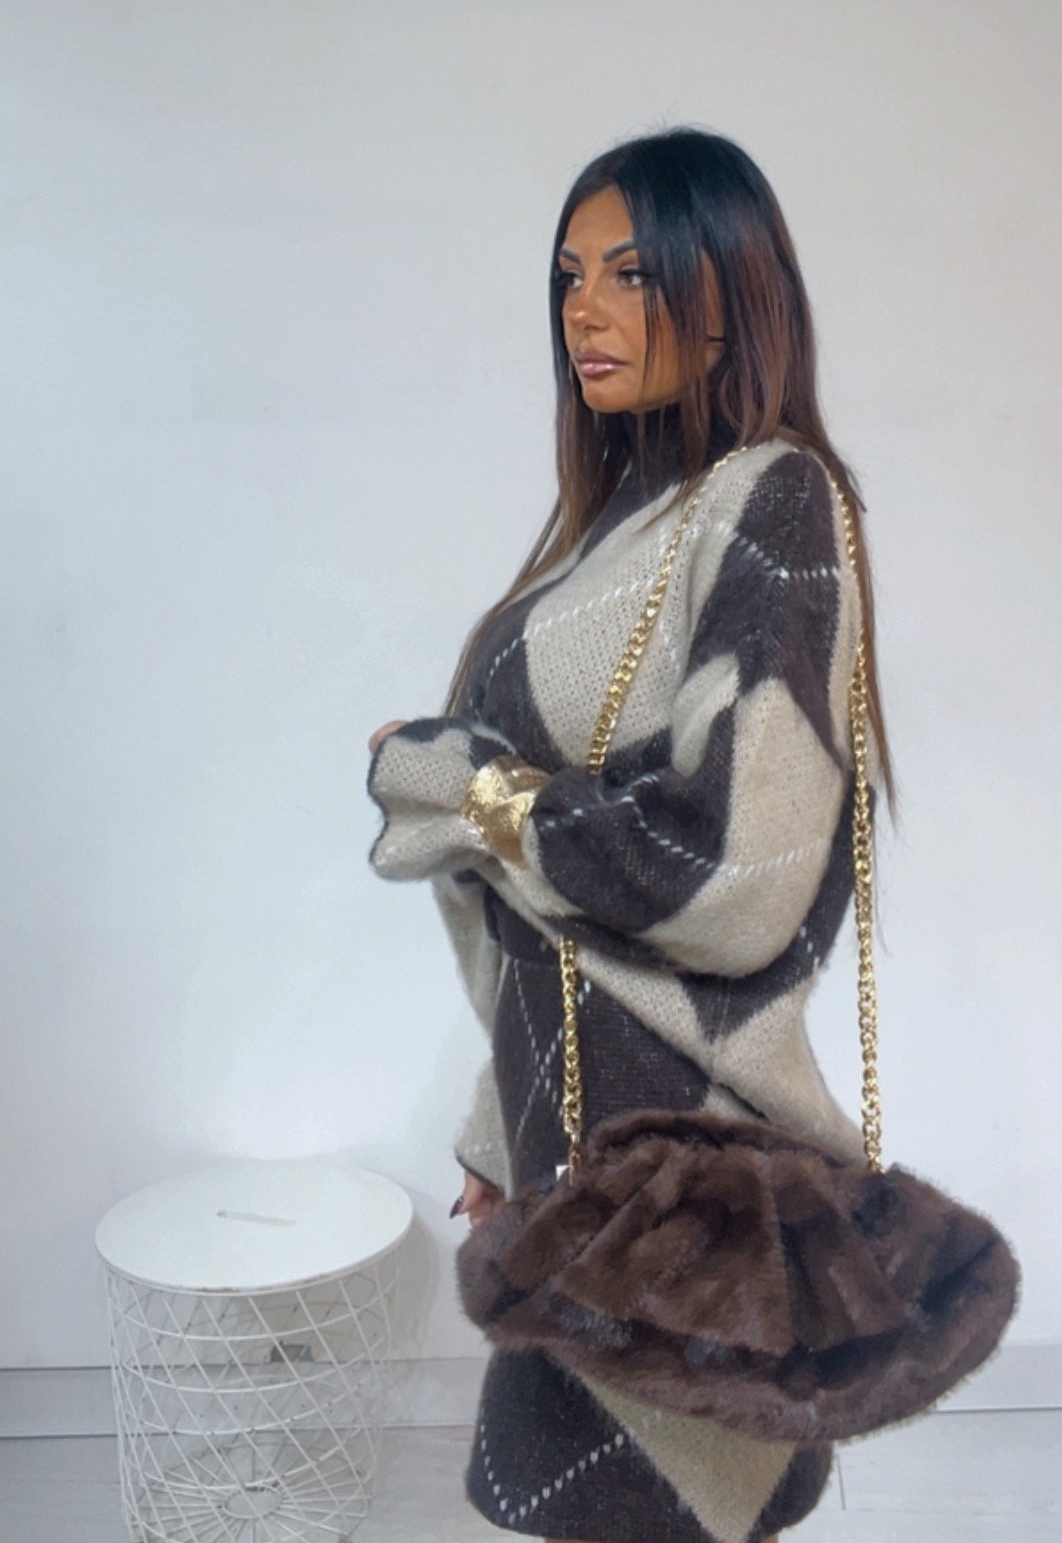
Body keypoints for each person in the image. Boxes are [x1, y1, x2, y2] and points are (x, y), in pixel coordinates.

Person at [365, 126, 897, 1543]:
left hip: (681, 1149)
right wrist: (498, 1123)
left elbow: (734, 871)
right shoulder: (618, 528)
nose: (582, 310)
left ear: (728, 291)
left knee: (659, 1505)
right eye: (566, 276)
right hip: (579, 1139)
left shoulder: (773, 500)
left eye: (629, 273)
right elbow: (557, 922)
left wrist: (464, 784)